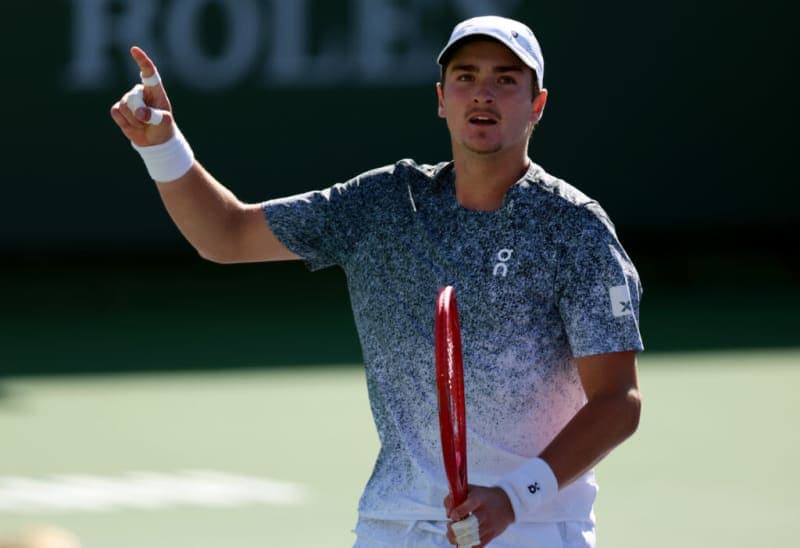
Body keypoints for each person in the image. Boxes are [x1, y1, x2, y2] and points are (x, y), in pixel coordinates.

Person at [110, 15, 643, 548]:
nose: (483, 93)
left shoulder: (574, 230)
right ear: (441, 98)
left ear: (537, 105)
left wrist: (513, 496)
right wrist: (161, 144)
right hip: (393, 526)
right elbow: (225, 235)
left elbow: (618, 400)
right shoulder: (382, 205)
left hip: (532, 528)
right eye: (465, 77)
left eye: (505, 80)